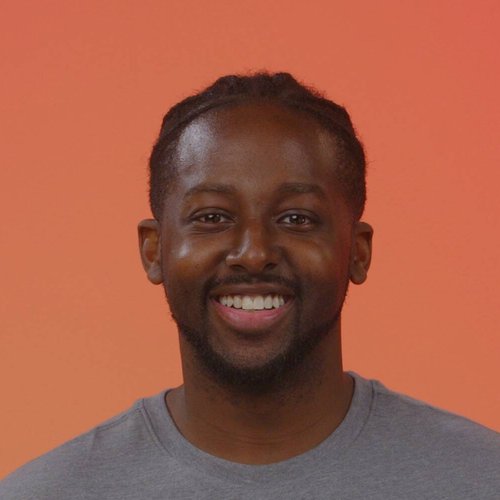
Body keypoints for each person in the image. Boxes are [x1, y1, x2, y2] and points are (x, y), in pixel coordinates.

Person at [1, 72, 498, 499]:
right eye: (212, 217)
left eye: (297, 218)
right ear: (153, 250)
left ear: (358, 251)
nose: (254, 253)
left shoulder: (481, 477)